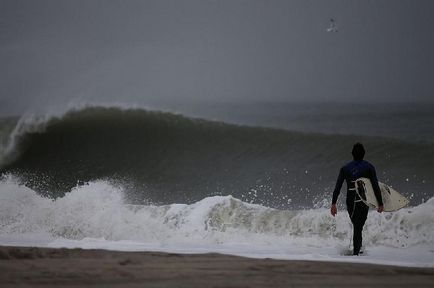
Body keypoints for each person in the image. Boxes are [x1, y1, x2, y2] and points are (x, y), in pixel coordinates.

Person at [330, 143, 384, 255]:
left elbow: (338, 187)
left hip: (350, 199)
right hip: (363, 200)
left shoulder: (345, 168)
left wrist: (333, 204)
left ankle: (357, 250)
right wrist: (380, 203)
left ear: (352, 154)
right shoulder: (369, 167)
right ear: (364, 154)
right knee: (359, 226)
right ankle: (356, 253)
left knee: (357, 225)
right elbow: (375, 187)